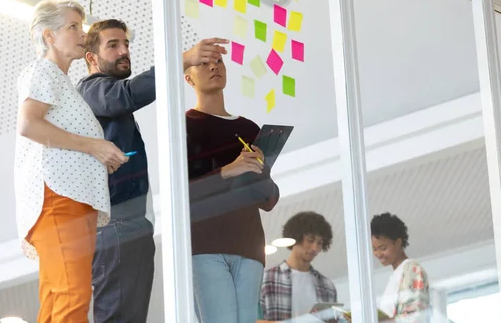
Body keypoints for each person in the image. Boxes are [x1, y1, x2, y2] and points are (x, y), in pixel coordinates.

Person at [77, 18, 227, 322]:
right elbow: (129, 94)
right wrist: (183, 58)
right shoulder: (92, 90)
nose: (124, 51)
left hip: (129, 226)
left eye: (126, 44)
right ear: (91, 58)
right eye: (113, 45)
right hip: (115, 226)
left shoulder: (106, 99)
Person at [14, 0, 127, 323]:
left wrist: (96, 154)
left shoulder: (63, 84)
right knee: (71, 295)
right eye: (73, 27)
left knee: (58, 298)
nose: (83, 33)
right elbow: (29, 124)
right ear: (48, 35)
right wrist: (94, 147)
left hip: (71, 199)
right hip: (58, 197)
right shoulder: (42, 70)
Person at [185, 53, 280, 323]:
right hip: (204, 246)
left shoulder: (248, 128)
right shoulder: (183, 126)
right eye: (203, 62)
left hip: (249, 246)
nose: (214, 66)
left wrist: (261, 172)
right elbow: (181, 196)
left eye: (218, 61)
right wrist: (228, 171)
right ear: (187, 77)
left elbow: (269, 200)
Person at [261, 211, 337, 321]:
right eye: (310, 240)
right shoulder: (268, 279)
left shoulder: (327, 287)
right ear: (295, 238)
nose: (314, 248)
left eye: (320, 243)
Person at [370, 213, 430, 322]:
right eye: (374, 249)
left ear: (398, 243)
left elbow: (415, 317)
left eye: (383, 248)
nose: (378, 254)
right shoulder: (397, 274)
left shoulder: (412, 270)